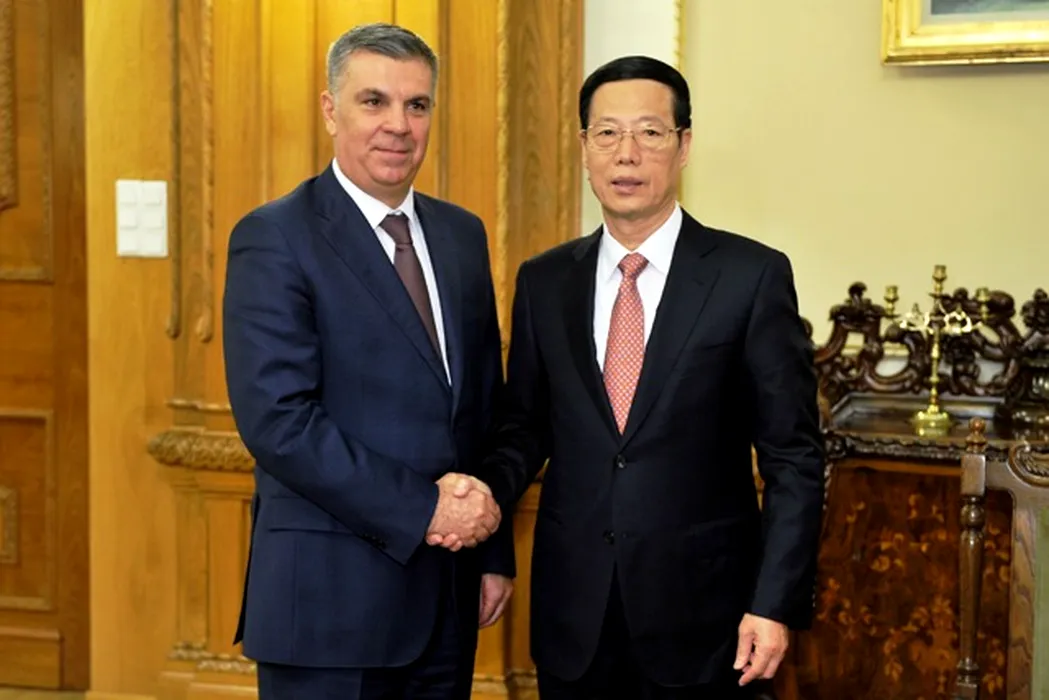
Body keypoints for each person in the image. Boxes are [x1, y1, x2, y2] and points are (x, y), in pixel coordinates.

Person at [466, 55, 825, 698]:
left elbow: (793, 458)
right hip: (574, 616)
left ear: (684, 146)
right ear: (584, 148)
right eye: (607, 133)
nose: (626, 153)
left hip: (708, 622)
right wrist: (479, 505)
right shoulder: (544, 281)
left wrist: (773, 603)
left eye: (650, 132)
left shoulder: (750, 277)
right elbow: (522, 430)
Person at [222, 22, 515, 700]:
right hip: (328, 609)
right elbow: (280, 423)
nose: (398, 126)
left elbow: (482, 411)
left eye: (417, 105)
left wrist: (490, 550)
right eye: (374, 101)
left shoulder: (461, 235)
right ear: (331, 110)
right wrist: (427, 509)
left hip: (447, 598)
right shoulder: (274, 237)